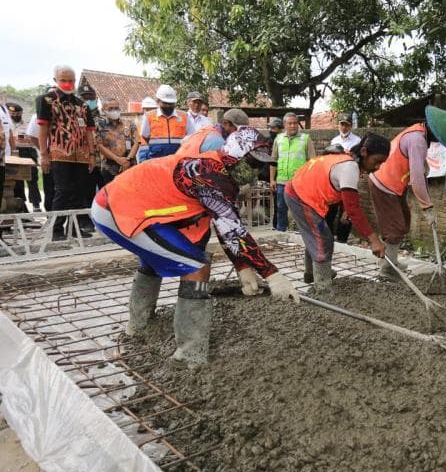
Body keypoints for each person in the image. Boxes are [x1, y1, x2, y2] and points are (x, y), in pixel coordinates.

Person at [91, 127, 299, 368]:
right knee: (197, 267)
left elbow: (225, 225)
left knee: (156, 259)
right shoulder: (210, 175)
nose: (255, 171)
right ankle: (189, 355)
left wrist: (243, 266)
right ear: (235, 155)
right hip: (119, 210)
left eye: (259, 165)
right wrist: (272, 274)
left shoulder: (217, 170)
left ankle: (138, 326)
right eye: (252, 163)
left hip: (120, 205)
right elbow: (234, 231)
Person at [285, 133, 389, 293]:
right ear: (364, 152)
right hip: (300, 196)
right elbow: (354, 209)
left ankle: (312, 273)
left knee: (315, 236)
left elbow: (346, 194)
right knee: (323, 238)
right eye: (377, 161)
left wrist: (346, 210)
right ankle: (323, 287)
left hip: (301, 192)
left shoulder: (346, 159)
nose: (378, 167)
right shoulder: (349, 167)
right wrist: (374, 240)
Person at [368, 105, 446, 277]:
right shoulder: (417, 141)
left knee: (404, 220)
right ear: (434, 131)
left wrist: (424, 169)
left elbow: (419, 172)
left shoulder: (418, 133)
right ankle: (387, 269)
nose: (437, 142)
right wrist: (427, 207)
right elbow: (416, 179)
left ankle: (390, 260)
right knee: (395, 226)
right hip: (384, 182)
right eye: (438, 138)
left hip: (394, 184)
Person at [37, 65, 97, 240]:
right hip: (59, 153)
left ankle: (74, 228)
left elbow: (89, 132)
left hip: (82, 156)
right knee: (63, 191)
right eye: (63, 80)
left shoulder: (82, 105)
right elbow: (43, 129)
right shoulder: (46, 100)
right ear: (55, 80)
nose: (68, 84)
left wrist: (92, 155)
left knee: (79, 193)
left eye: (71, 80)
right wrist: (44, 154)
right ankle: (56, 229)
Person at [269, 112, 315, 231]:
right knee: (281, 208)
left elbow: (312, 162)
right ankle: (281, 231)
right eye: (290, 123)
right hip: (281, 181)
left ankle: (302, 232)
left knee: (300, 209)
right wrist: (272, 179)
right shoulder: (278, 139)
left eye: (295, 123)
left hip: (299, 182)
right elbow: (273, 161)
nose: (293, 126)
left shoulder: (306, 139)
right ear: (285, 125)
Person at [326, 113, 362, 244]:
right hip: (335, 179)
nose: (344, 127)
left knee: (347, 209)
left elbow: (359, 161)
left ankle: (342, 239)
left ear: (351, 126)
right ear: (338, 125)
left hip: (349, 178)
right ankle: (328, 237)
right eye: (342, 124)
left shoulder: (357, 141)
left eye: (347, 125)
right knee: (331, 208)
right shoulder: (334, 141)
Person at [139, 84, 194, 161]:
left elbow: (192, 136)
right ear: (158, 101)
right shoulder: (149, 116)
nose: (168, 106)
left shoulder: (184, 116)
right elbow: (145, 136)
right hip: (156, 159)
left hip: (178, 159)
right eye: (165, 103)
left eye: (171, 103)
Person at [8, 103, 43, 211]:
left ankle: (36, 204)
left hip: (28, 152)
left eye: (18, 113)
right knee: (17, 181)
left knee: (32, 180)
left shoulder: (28, 125)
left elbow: (34, 138)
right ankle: (22, 206)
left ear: (21, 113)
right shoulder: (6, 124)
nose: (15, 116)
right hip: (13, 153)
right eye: (13, 114)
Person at [97, 98, 140, 184]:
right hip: (109, 168)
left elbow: (137, 142)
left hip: (129, 166)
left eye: (116, 108)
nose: (114, 110)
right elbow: (99, 145)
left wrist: (128, 160)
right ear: (103, 110)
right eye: (110, 108)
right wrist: (117, 159)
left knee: (130, 190)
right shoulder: (99, 126)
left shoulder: (129, 124)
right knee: (110, 191)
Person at [177, 108, 248, 156]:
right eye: (238, 130)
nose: (240, 134)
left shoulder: (210, 129)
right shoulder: (217, 143)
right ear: (226, 123)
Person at [79, 84, 106, 206]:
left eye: (90, 97)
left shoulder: (105, 120)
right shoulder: (76, 120)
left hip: (103, 164)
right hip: (86, 163)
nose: (88, 100)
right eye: (84, 98)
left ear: (96, 98)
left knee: (106, 194)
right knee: (87, 195)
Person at [136, 96, 157, 163]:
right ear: (143, 109)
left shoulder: (159, 121)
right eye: (147, 110)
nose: (149, 112)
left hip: (156, 152)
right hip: (143, 154)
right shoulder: (138, 122)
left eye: (151, 109)